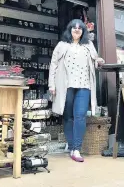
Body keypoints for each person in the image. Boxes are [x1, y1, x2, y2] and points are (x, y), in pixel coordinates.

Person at [48, 19, 105, 162]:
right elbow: (53, 65)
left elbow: (95, 60)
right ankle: (72, 145)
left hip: (84, 85)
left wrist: (99, 61)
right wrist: (52, 85)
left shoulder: (88, 45)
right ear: (70, 29)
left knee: (80, 116)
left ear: (83, 31)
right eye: (74, 28)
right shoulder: (62, 45)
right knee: (68, 116)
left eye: (80, 28)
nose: (77, 30)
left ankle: (76, 149)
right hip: (65, 86)